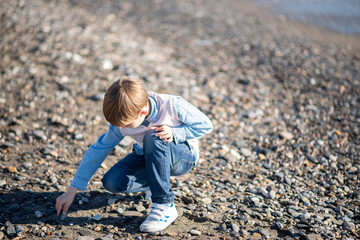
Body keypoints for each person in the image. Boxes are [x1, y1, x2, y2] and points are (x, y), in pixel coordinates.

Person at [55, 77, 213, 232]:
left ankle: (165, 204)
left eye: (125, 124)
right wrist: (71, 191)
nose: (121, 127)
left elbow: (206, 125)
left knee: (154, 136)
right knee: (112, 182)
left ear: (142, 112)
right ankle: (157, 183)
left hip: (183, 157)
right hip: (147, 155)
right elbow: (98, 149)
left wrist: (175, 132)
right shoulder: (122, 120)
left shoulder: (172, 105)